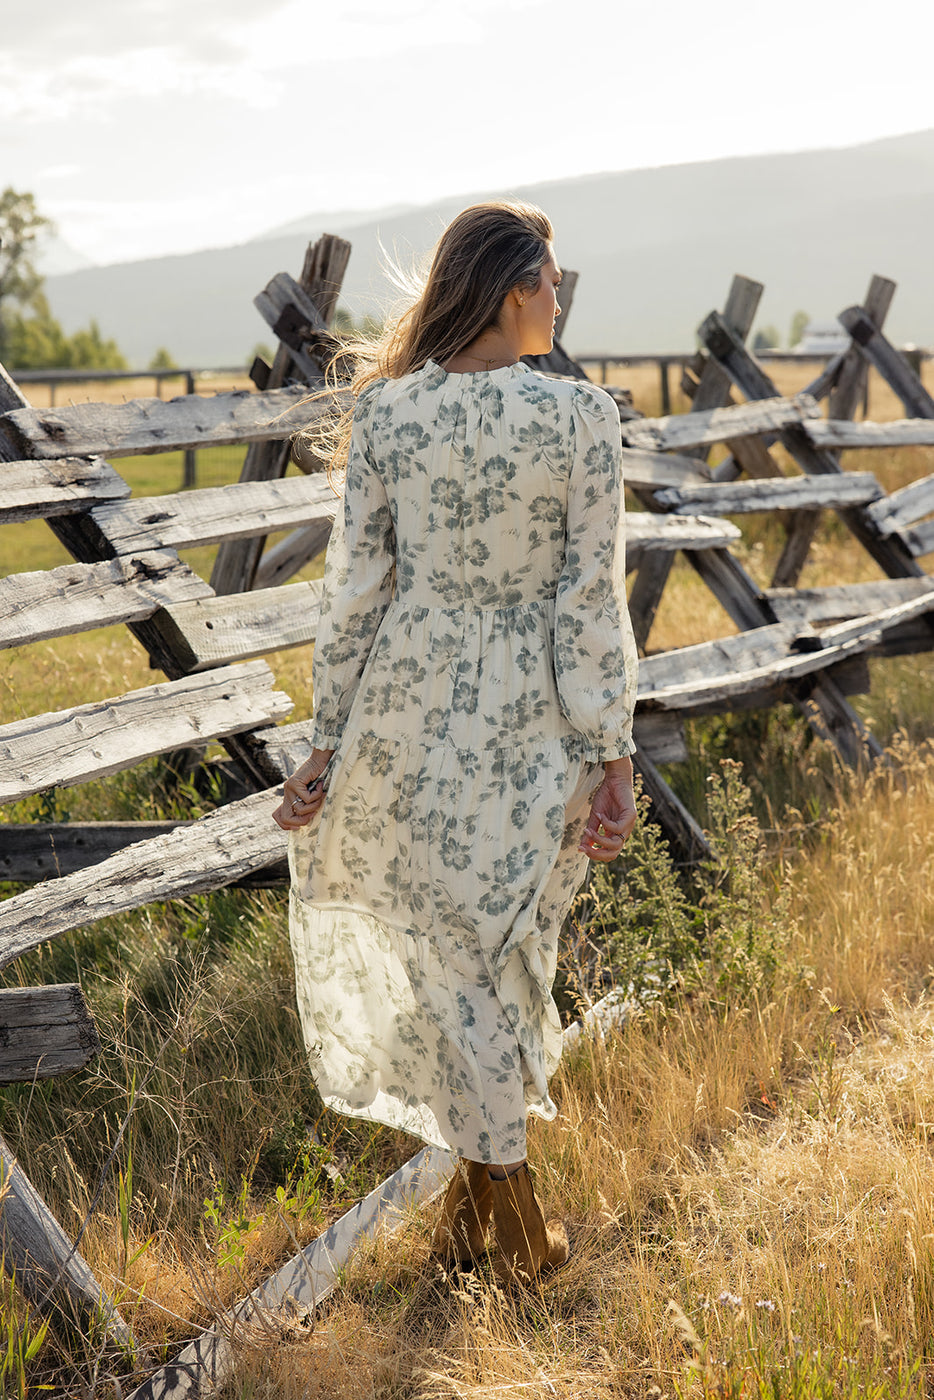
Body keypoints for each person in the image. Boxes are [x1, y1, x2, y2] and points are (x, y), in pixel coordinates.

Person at [273, 200, 639, 1282]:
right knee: (482, 961)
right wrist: (611, 751)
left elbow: (354, 594)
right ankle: (517, 1223)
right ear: (516, 285)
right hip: (527, 721)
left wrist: (331, 738)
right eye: (554, 279)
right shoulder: (580, 419)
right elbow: (587, 603)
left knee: (455, 965)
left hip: (404, 711)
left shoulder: (389, 416)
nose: (561, 297)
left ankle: (475, 1219)